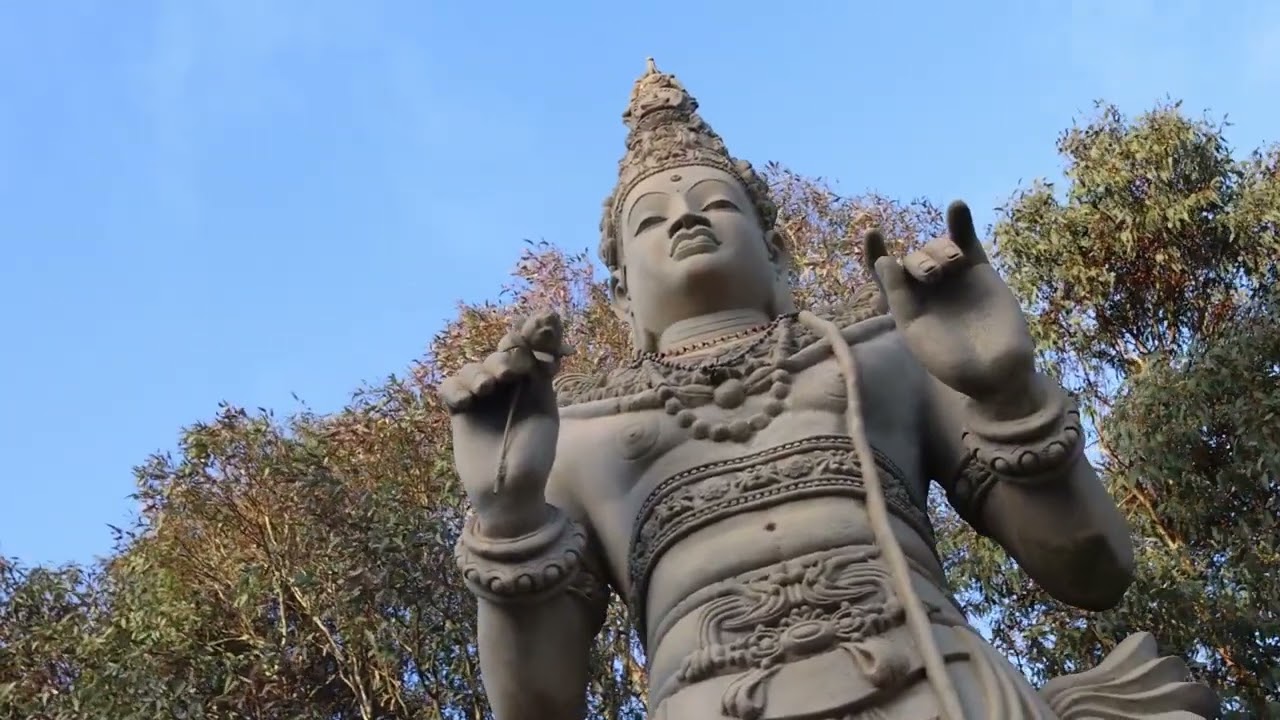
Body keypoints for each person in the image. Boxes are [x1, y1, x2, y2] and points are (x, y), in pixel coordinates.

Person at [440, 60, 1218, 720]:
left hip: (940, 692)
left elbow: (1094, 568)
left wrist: (1007, 392)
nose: (684, 220)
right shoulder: (576, 438)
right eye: (651, 219)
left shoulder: (886, 357)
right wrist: (507, 519)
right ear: (620, 296)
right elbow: (538, 707)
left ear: (779, 251)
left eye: (714, 204)